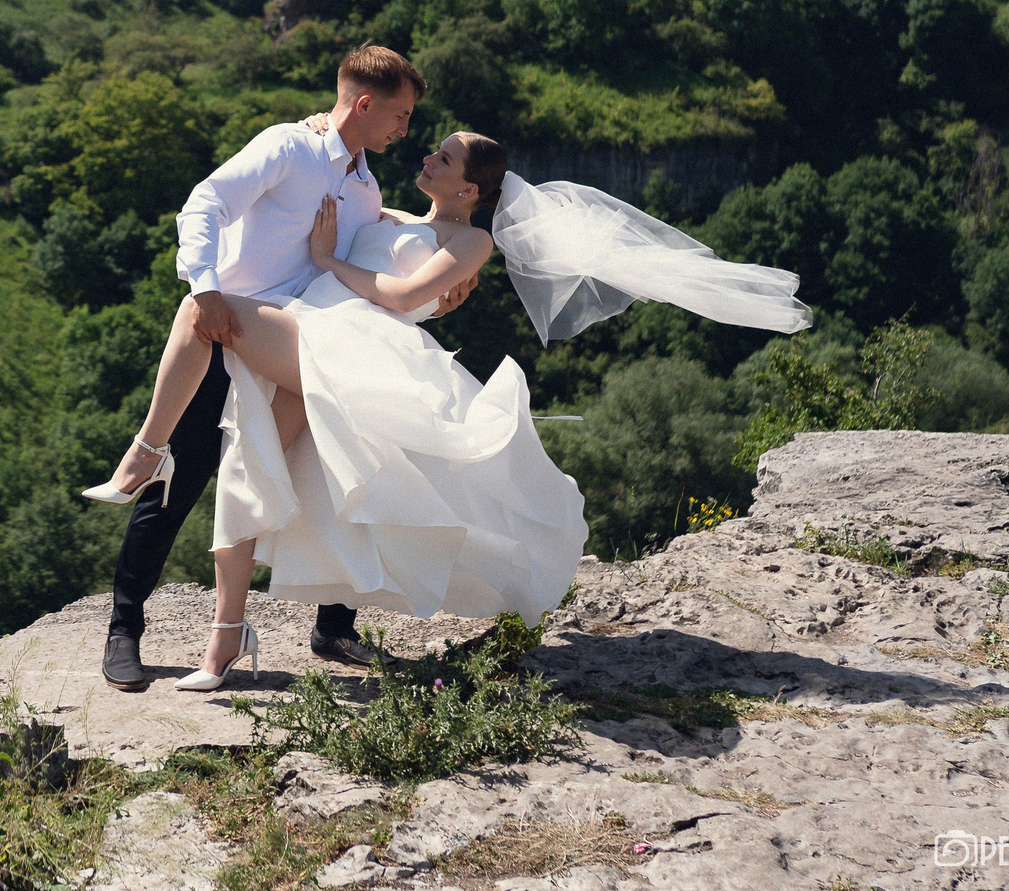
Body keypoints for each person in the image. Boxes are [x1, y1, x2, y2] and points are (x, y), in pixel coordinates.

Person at [175, 129, 812, 690]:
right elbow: (343, 218)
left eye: (444, 157)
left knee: (263, 432)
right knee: (252, 470)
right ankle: (237, 629)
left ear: (470, 188)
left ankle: (165, 486)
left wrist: (325, 260)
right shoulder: (397, 217)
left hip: (359, 353)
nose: (428, 156)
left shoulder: (472, 243)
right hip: (314, 333)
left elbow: (400, 297)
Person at [84, 45, 442, 692]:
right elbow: (204, 202)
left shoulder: (365, 187)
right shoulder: (289, 148)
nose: (405, 129)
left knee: (345, 475)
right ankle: (123, 628)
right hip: (226, 340)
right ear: (364, 104)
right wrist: (207, 285)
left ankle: (334, 626)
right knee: (174, 489)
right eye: (401, 114)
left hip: (295, 356)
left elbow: (368, 253)